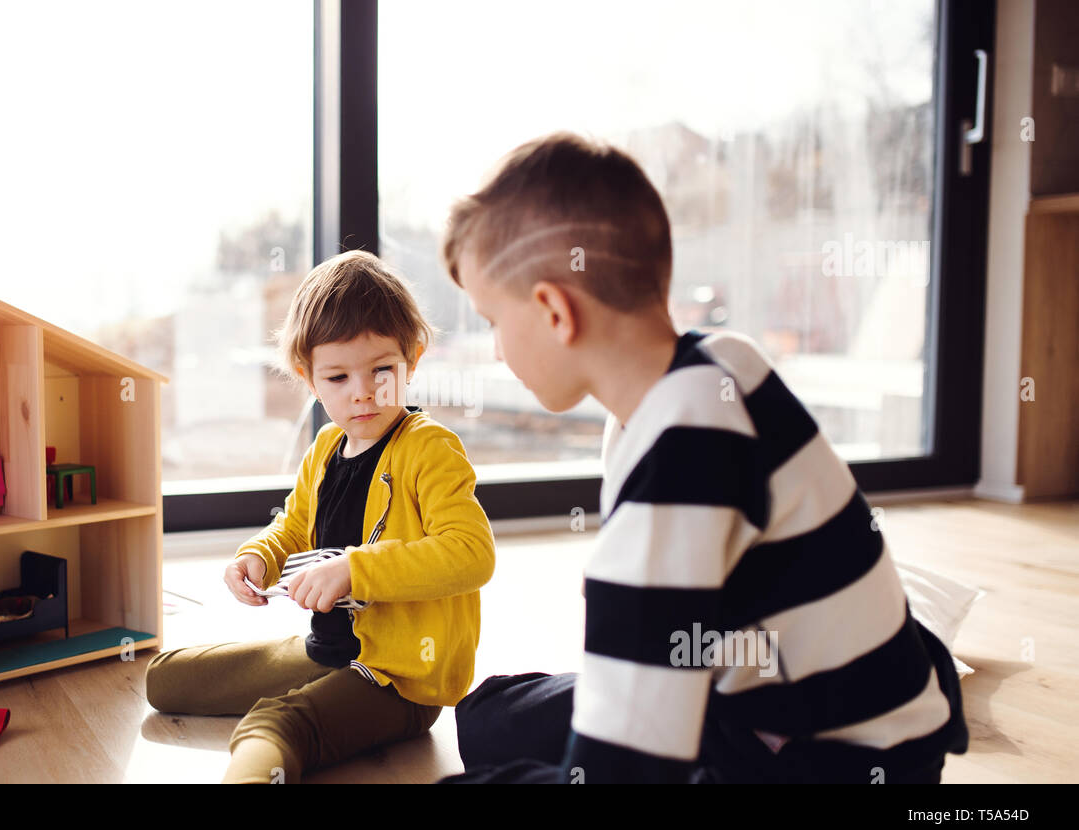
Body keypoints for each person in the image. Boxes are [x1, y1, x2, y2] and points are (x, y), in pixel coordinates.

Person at [437, 132, 968, 784]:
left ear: (553, 309)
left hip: (825, 760)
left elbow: (624, 775)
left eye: (491, 320)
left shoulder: (678, 458)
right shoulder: (723, 359)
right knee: (489, 717)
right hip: (803, 700)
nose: (494, 350)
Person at [144, 250, 495, 783]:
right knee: (164, 681)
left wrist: (357, 568)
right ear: (309, 379)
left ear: (413, 359)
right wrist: (258, 556)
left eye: (382, 369)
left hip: (398, 678)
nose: (362, 392)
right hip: (326, 650)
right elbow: (292, 523)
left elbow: (472, 553)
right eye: (337, 377)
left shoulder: (430, 449)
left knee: (275, 725)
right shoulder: (328, 445)